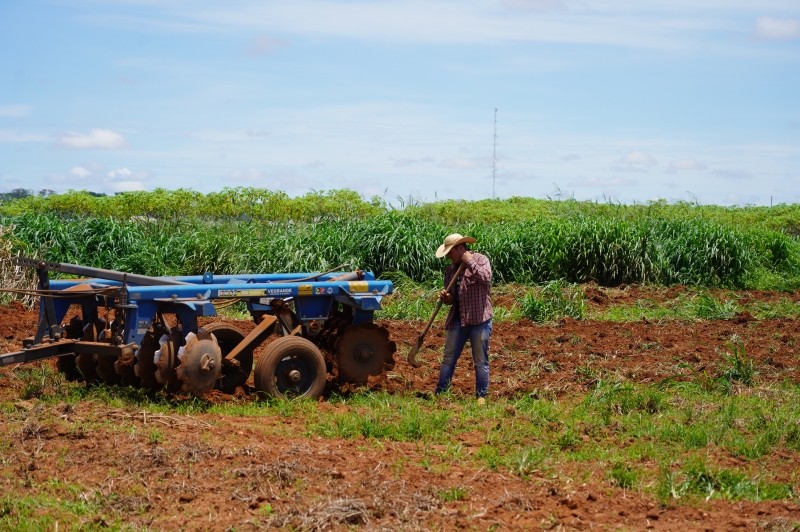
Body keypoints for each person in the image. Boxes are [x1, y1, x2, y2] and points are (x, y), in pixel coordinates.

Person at [433, 233, 492, 403]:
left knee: (480, 361)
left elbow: (486, 278)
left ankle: (481, 396)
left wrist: (469, 262)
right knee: (448, 359)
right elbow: (453, 298)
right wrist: (447, 298)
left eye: (450, 253)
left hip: (479, 319)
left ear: (460, 249)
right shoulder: (451, 270)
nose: (449, 257)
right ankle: (441, 393)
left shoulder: (480, 260)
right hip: (459, 319)